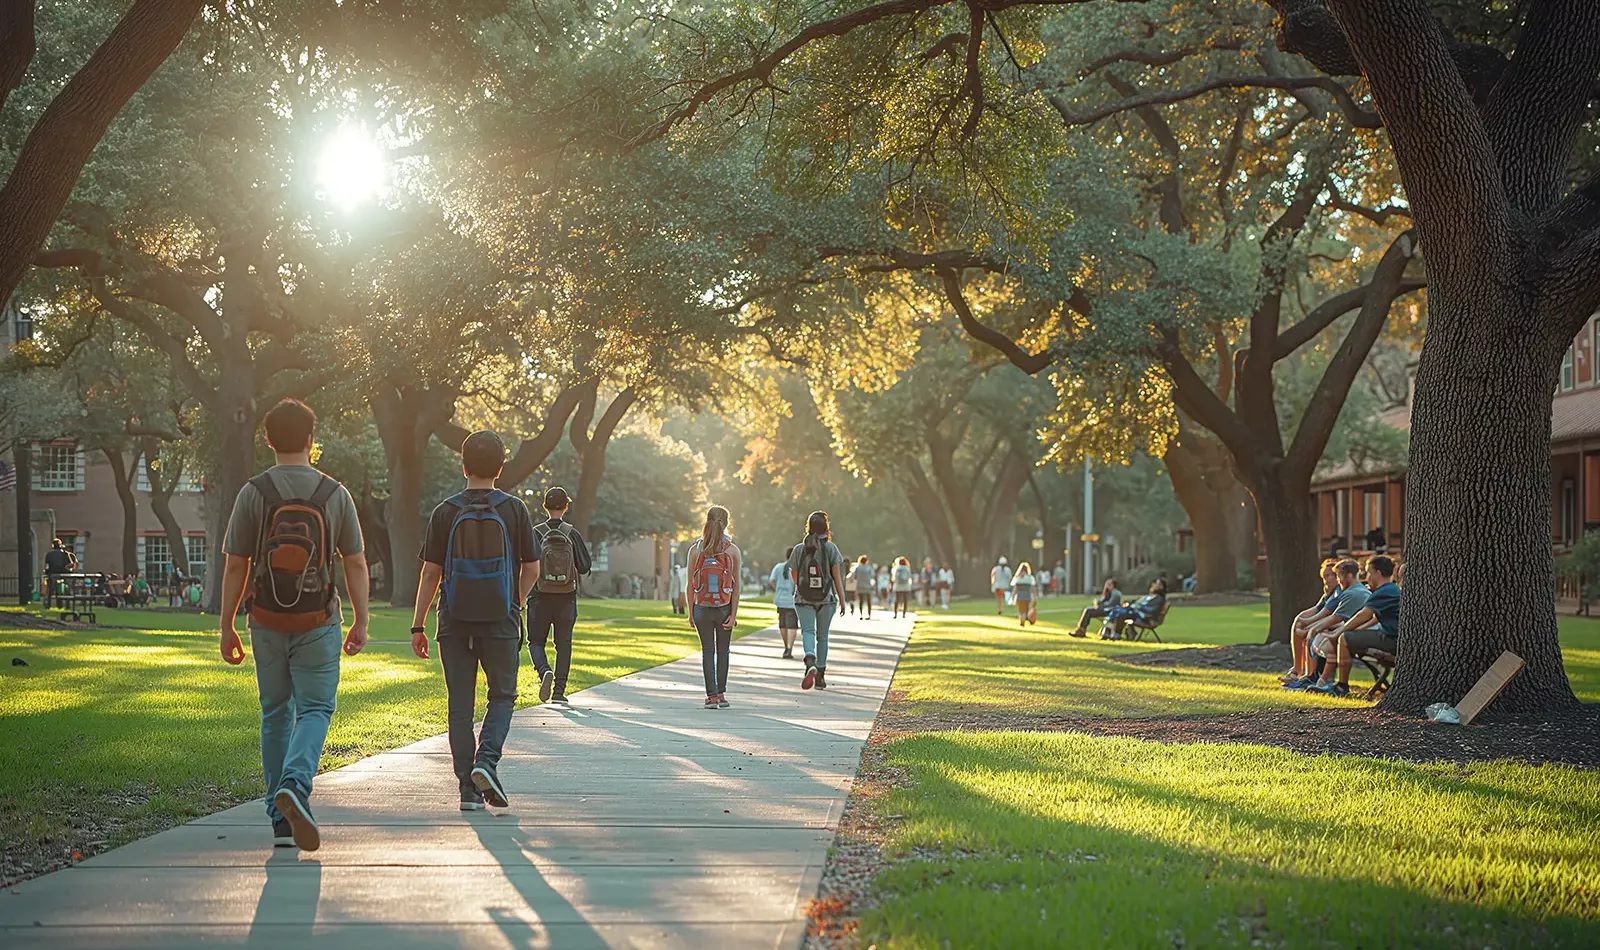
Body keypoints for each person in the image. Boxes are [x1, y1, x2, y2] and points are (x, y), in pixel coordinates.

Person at [218, 398, 369, 852]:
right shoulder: (333, 494)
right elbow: (356, 562)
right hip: (319, 618)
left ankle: (280, 822)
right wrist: (361, 619)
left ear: (267, 440)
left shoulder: (254, 492)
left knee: (274, 713)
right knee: (317, 709)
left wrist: (226, 625)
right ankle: (296, 786)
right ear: (311, 440)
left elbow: (234, 566)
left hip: (264, 618)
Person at [408, 431, 540, 811]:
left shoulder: (445, 511)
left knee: (460, 706)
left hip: (454, 620)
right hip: (500, 619)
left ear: (463, 465)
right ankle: (487, 762)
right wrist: (513, 600)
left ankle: (467, 790)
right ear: (501, 467)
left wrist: (418, 625)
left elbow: (431, 574)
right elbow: (531, 567)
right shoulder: (514, 509)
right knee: (502, 695)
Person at [528, 486, 592, 706]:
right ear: (566, 506)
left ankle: (544, 670)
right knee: (563, 644)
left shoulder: (535, 533)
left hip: (539, 596)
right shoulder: (571, 533)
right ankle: (559, 692)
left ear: (545, 506)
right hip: (566, 596)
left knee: (535, 641)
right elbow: (584, 566)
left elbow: (524, 565)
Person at [1311, 556, 1401, 698]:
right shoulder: (1390, 589)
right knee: (1348, 635)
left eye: (1369, 572)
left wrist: (1339, 632)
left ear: (1378, 573)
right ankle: (1326, 680)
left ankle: (1341, 686)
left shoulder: (1385, 591)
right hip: (1393, 637)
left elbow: (1363, 616)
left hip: (1392, 639)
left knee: (1344, 638)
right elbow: (1374, 618)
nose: (1367, 577)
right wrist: (1357, 630)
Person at [686, 506, 742, 708]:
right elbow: (736, 586)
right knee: (723, 651)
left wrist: (691, 613)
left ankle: (711, 696)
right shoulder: (732, 550)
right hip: (723, 607)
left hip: (701, 606)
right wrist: (733, 614)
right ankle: (721, 695)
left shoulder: (696, 549)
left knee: (707, 650)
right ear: (726, 524)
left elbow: (689, 584)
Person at [787, 511, 846, 691]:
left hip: (803, 599)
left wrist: (803, 589)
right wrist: (842, 600)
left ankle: (809, 660)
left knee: (807, 631)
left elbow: (794, 574)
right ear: (826, 528)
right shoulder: (831, 549)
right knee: (823, 637)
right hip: (826, 599)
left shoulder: (799, 549)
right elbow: (837, 578)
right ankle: (820, 676)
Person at [1293, 558, 1372, 692]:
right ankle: (1319, 680)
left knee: (1324, 640)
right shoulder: (1355, 591)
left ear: (1349, 576)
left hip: (1360, 636)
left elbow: (1335, 618)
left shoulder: (1353, 593)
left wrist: (1312, 629)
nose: (1338, 580)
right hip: (1355, 632)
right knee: (1324, 637)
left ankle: (1320, 681)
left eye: (1339, 576)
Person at [1281, 560, 1342, 683]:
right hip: (1329, 625)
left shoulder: (1339, 593)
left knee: (1310, 633)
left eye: (1331, 575)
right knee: (1299, 626)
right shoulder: (1328, 594)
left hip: (1336, 627)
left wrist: (1307, 623)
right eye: (1325, 576)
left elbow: (1327, 614)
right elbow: (1317, 609)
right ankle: (1298, 669)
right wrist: (1300, 619)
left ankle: (1309, 675)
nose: (1327, 579)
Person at [770, 551, 800, 659]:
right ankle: (789, 648)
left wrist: (777, 589)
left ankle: (785, 646)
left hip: (780, 599)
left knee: (782, 624)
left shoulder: (778, 567)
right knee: (792, 625)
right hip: (792, 601)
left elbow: (772, 580)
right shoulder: (797, 568)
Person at [851, 555, 875, 619]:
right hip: (868, 586)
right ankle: (869, 615)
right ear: (867, 561)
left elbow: (853, 577)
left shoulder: (858, 568)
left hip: (860, 586)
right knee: (869, 601)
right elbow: (873, 576)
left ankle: (861, 615)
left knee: (861, 601)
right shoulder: (869, 568)